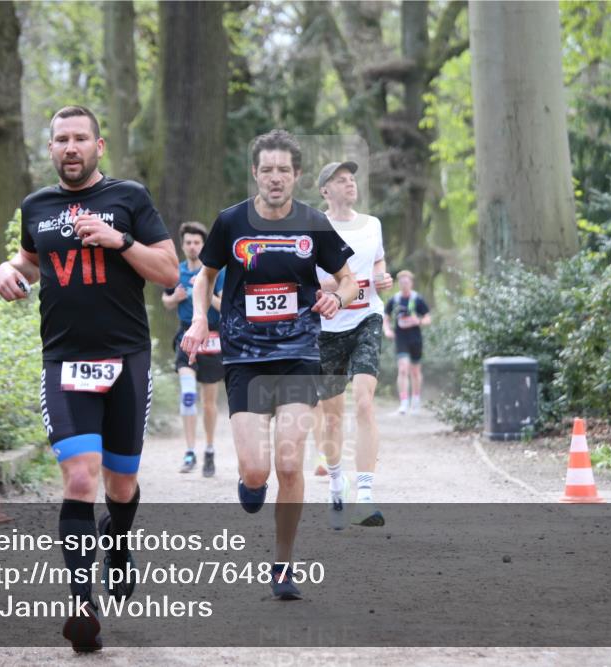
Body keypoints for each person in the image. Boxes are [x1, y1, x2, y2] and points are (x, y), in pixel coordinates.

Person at [0, 105, 178, 652]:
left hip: (127, 360)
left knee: (120, 485)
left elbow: (168, 271)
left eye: (80, 139)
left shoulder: (129, 198)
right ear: (50, 149)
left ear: (99, 146)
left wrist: (116, 239)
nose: (70, 147)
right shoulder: (37, 207)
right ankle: (81, 606)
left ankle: (118, 543)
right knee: (80, 480)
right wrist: (10, 270)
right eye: (61, 140)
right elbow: (31, 261)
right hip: (65, 362)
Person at [180, 129, 357, 600]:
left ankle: (283, 564)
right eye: (267, 170)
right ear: (255, 173)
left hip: (298, 354)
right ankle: (249, 481)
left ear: (297, 175)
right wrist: (200, 318)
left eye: (284, 170)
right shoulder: (231, 222)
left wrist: (337, 297)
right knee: (258, 471)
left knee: (289, 460)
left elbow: (350, 279)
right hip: (245, 358)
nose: (275, 178)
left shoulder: (314, 222)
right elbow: (205, 278)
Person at [312, 160, 392, 528]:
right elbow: (303, 282)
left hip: (366, 319)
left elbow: (378, 265)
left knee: (363, 402)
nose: (350, 184)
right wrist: (338, 286)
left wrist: (381, 278)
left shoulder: (372, 224)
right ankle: (335, 482)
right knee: (330, 417)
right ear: (325, 190)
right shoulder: (311, 226)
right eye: (340, 180)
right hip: (327, 327)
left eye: (352, 179)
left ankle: (365, 494)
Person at [162, 222, 225, 477]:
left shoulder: (215, 273)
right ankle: (189, 451)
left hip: (211, 337)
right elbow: (166, 300)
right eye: (188, 242)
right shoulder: (176, 271)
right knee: (188, 395)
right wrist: (173, 298)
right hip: (186, 335)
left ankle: (209, 449)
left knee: (208, 402)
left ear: (203, 245)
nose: (192, 246)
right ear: (182, 245)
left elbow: (224, 307)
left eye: (197, 242)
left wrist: (204, 293)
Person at [383, 270, 431, 414]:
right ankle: (404, 403)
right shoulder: (394, 300)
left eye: (407, 282)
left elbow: (428, 318)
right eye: (402, 282)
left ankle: (415, 401)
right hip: (400, 338)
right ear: (399, 283)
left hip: (415, 338)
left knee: (415, 371)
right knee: (403, 369)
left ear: (411, 283)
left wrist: (419, 320)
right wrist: (387, 330)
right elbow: (386, 317)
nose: (404, 284)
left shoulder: (417, 299)